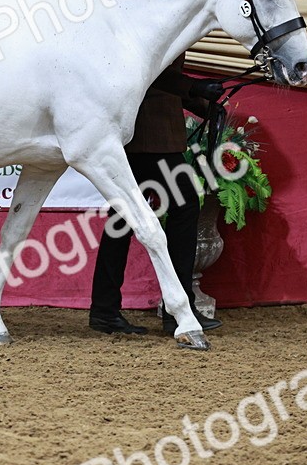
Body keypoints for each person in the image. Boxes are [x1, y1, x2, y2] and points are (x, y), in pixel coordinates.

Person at [88, 53, 225, 336]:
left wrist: (203, 106)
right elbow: (150, 71)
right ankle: (177, 309)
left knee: (122, 219)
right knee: (182, 205)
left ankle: (105, 308)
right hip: (151, 135)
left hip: (151, 133)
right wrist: (194, 88)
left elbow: (165, 83)